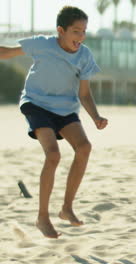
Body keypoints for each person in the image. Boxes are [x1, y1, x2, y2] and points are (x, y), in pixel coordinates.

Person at [0, 6, 108, 238]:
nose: (81, 37)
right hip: (36, 103)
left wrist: (96, 117)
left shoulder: (84, 55)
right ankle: (42, 217)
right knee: (53, 154)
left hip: (65, 108)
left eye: (84, 31)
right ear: (61, 30)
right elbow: (8, 52)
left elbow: (85, 94)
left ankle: (66, 208)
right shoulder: (43, 44)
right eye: (76, 31)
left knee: (84, 147)